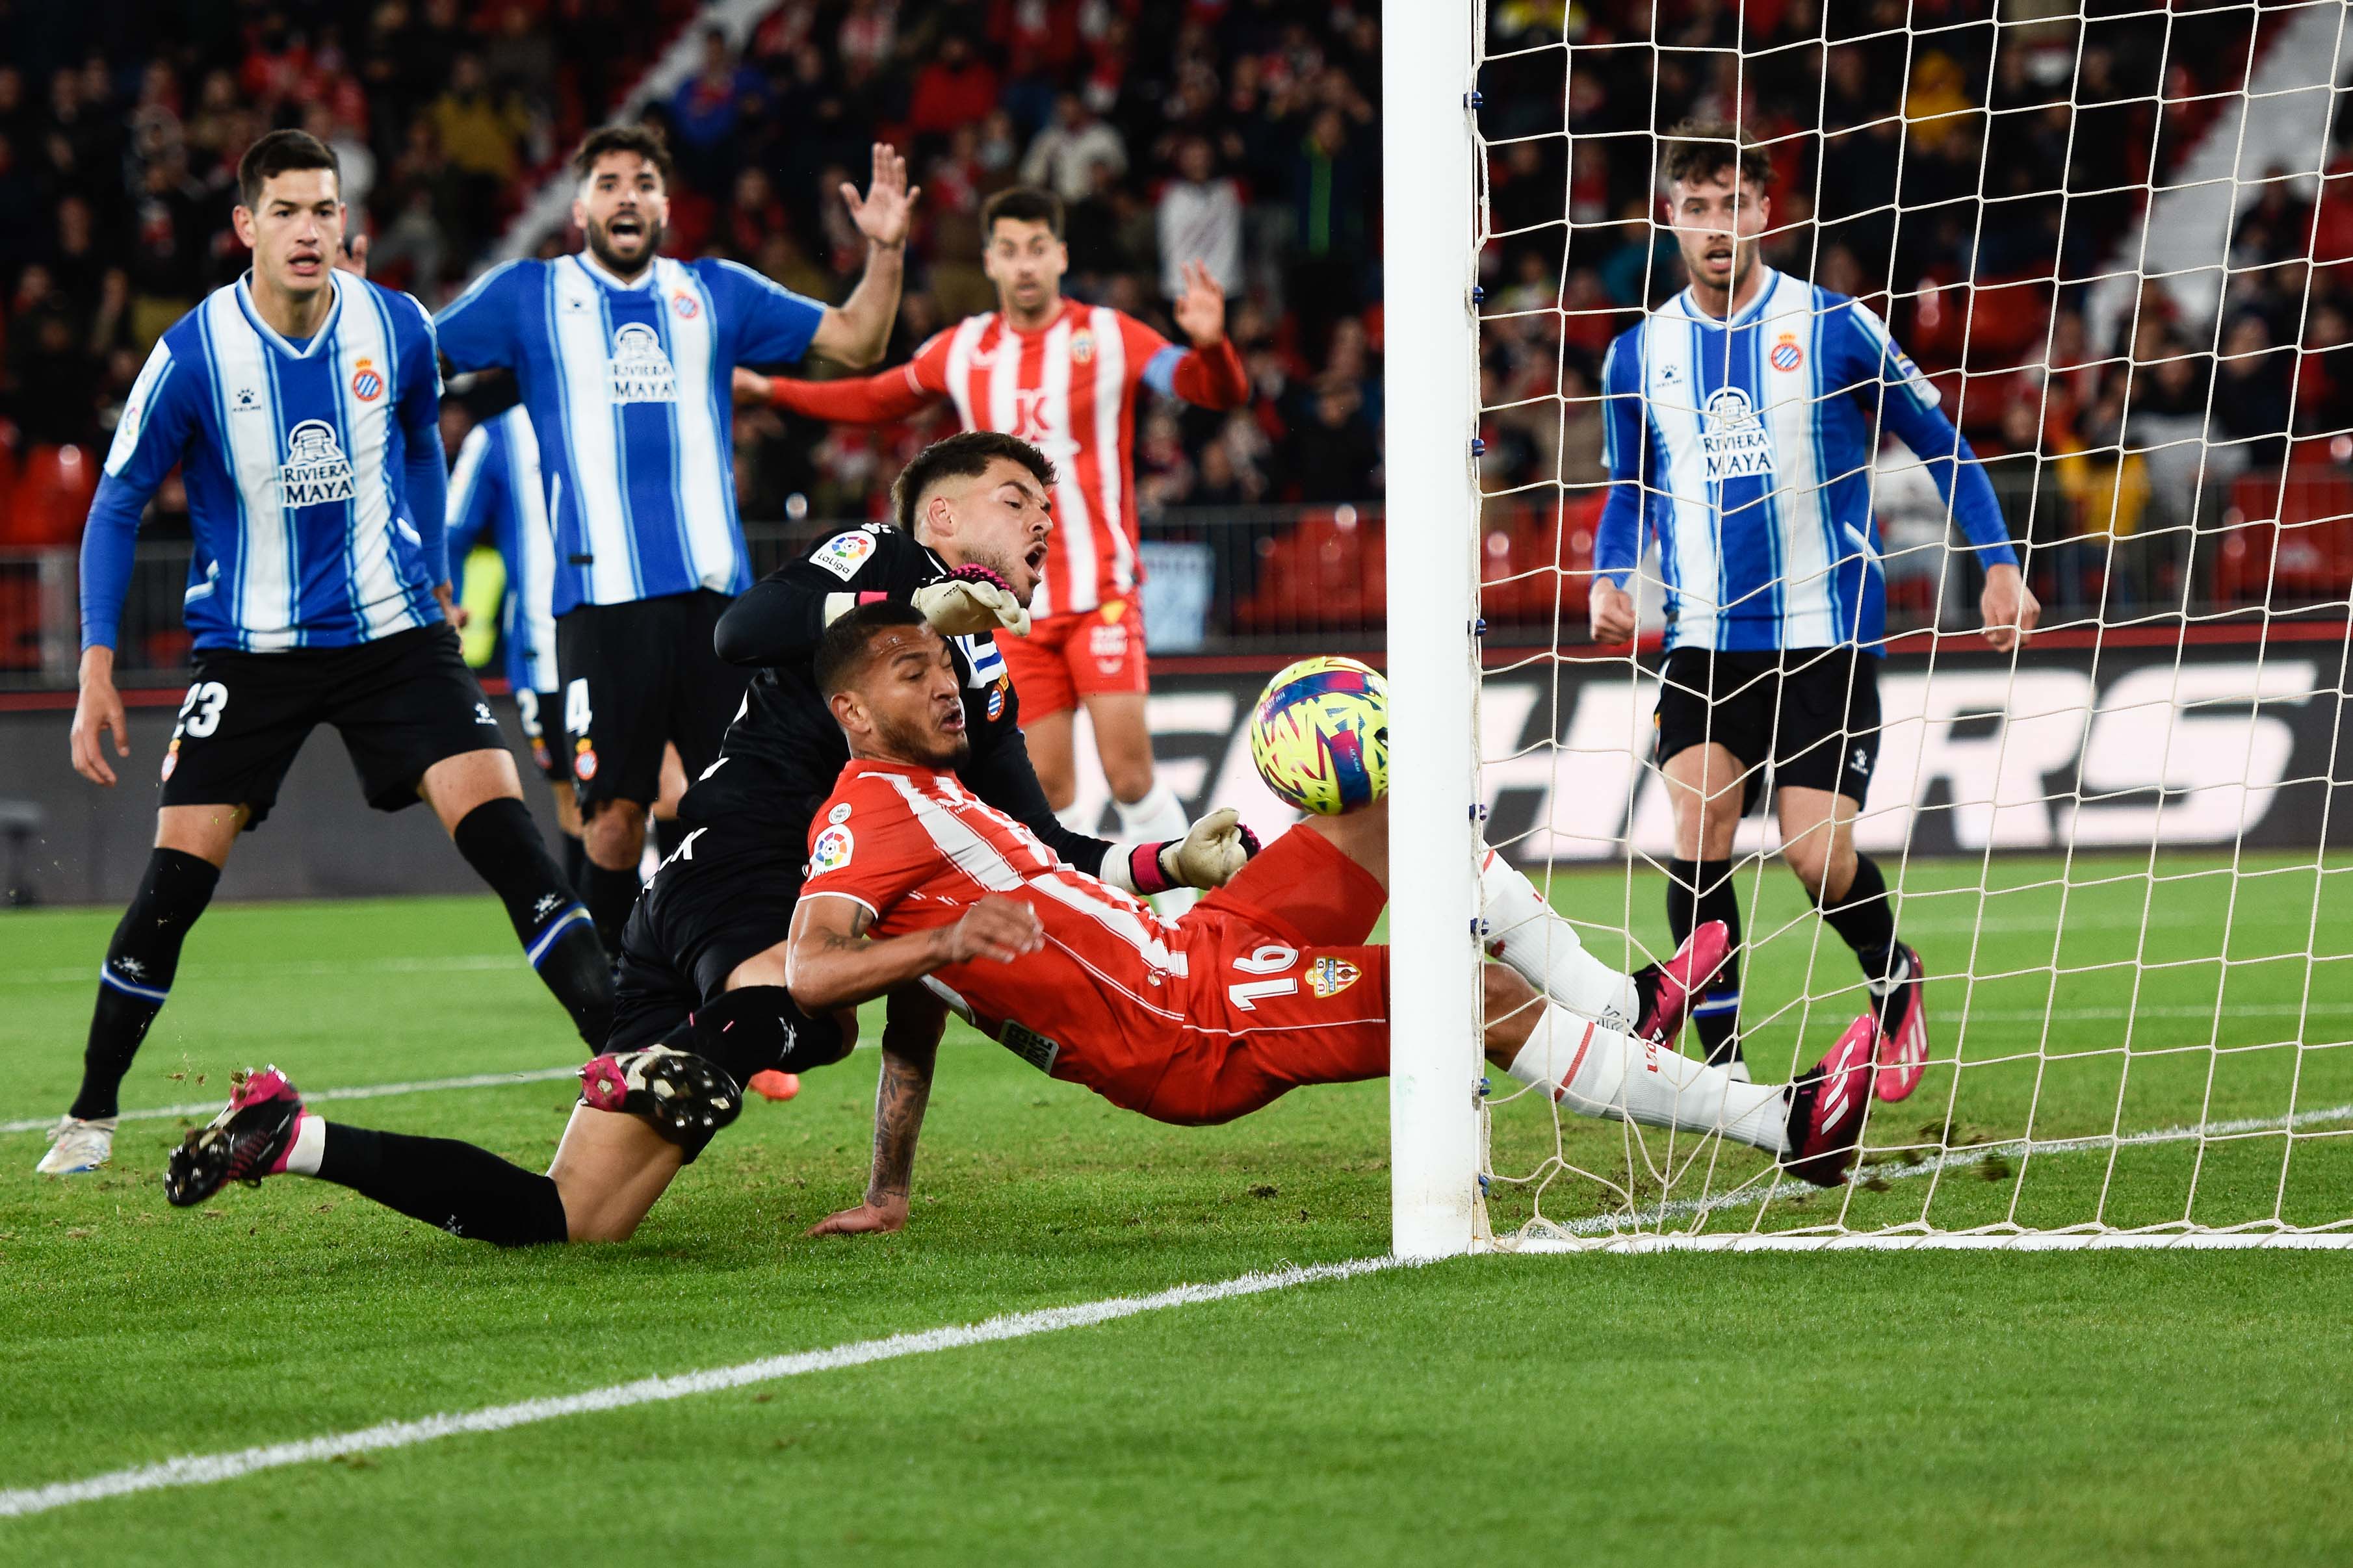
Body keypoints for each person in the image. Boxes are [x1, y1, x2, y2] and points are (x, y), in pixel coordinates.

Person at [154, 435, 1266, 1245]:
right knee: (816, 1006)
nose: (1041, 522)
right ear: (937, 520)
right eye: (1017, 498)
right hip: (749, 864)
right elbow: (742, 630)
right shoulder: (877, 560)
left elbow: (1033, 843)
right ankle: (722, 1035)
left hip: (698, 910)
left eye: (1047, 510)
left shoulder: (976, 676)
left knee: (572, 1218)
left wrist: (1171, 861)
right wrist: (918, 605)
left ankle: (289, 1136)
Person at [781, 606, 1875, 1236]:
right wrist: (942, 944)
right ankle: (1785, 1124)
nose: (945, 687)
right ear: (849, 710)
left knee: (1393, 812)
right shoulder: (866, 811)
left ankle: (1624, 1004)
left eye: (942, 667)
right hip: (1185, 1028)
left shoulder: (946, 793)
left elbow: (914, 1010)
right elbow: (813, 968)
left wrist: (888, 1184)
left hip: (1199, 944)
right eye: (910, 672)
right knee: (1472, 997)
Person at [39, 131, 609, 1177]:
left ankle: (620, 1057)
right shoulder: (195, 353)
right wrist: (96, 664)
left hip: (394, 633)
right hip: (249, 650)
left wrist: (433, 564)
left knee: (509, 839)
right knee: (175, 885)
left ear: (347, 224)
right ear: (246, 228)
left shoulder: (396, 325)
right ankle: (89, 1113)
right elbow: (117, 503)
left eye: (326, 211)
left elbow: (423, 435)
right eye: (289, 212)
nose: (311, 231)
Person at [1587, 120, 2040, 1101]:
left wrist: (1998, 564)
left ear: (1765, 214)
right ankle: (1725, 1069)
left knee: (1815, 855)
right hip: (1705, 635)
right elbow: (1631, 488)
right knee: (1698, 825)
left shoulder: (1835, 326)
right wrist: (1608, 573)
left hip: (1825, 636)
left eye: (1734, 205)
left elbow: (1945, 444)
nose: (1717, 226)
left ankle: (1893, 980)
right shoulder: (1638, 354)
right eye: (1698, 207)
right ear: (1670, 219)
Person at [433, 123, 916, 953]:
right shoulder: (528, 296)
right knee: (612, 821)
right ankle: (624, 1016)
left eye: (644, 182)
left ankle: (754, 996)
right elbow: (413, 359)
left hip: (716, 609)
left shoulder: (715, 293)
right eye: (610, 181)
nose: (628, 196)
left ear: (665, 204)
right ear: (580, 204)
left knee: (748, 807)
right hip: (600, 603)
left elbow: (856, 339)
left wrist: (886, 253)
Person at [735, 186, 1249, 895]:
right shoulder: (966, 347)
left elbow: (1207, 389)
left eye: (1037, 247)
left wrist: (1213, 347)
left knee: (1130, 773)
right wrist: (776, 393)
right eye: (1008, 250)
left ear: (1061, 254)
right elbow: (877, 396)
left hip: (1099, 590)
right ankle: (1093, 923)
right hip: (1006, 607)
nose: (1025, 264)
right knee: (1053, 788)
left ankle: (1193, 920)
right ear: (989, 261)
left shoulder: (1109, 335)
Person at [445, 404, 580, 884]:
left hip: (625, 636)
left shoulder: (612, 405)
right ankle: (606, 941)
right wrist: (446, 603)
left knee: (631, 790)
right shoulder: (499, 436)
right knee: (572, 792)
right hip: (540, 648)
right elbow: (451, 530)